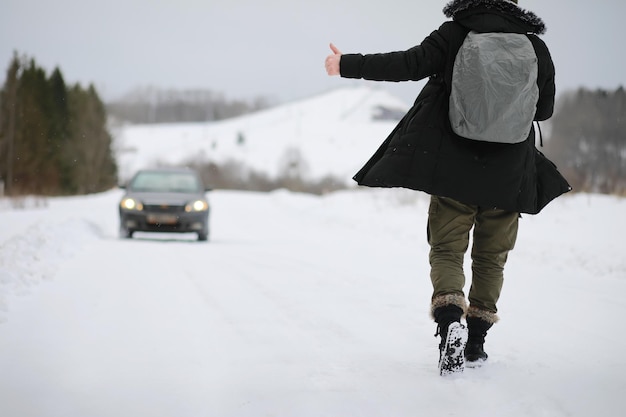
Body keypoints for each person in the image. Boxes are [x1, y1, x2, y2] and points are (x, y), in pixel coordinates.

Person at [325, 0, 571, 375]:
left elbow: (407, 64)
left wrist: (347, 64)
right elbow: (544, 109)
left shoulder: (455, 34)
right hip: (508, 173)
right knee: (491, 258)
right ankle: (475, 342)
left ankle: (449, 322)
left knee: (447, 249)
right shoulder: (535, 47)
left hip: (454, 167)